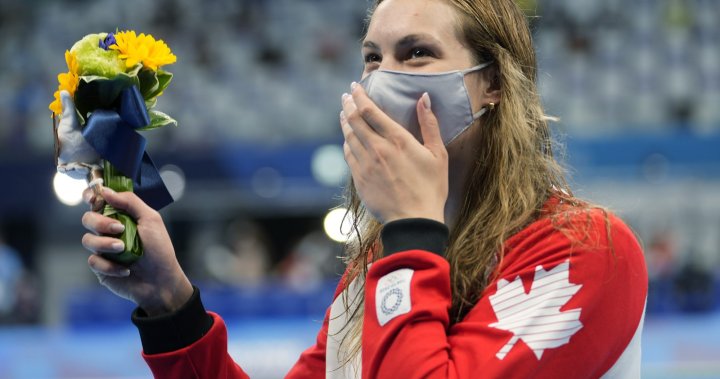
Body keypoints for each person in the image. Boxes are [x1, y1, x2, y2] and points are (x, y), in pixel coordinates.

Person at [77, 0, 647, 377]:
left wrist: (411, 231)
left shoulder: (586, 250)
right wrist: (170, 302)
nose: (380, 80)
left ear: (492, 82)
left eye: (417, 53)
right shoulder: (381, 264)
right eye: (372, 58)